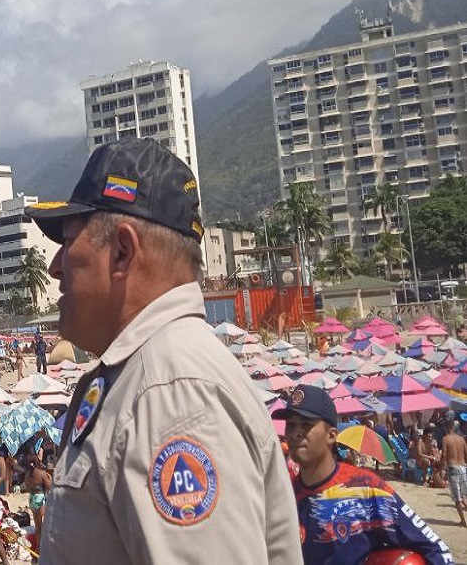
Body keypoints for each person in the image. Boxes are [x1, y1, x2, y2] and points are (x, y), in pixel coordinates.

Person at [24, 137, 301, 563]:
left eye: (69, 239)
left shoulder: (170, 396)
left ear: (122, 251)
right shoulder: (148, 377)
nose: (55, 266)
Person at [276, 384, 453, 563]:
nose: (295, 433)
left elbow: (436, 549)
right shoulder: (285, 496)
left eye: (306, 425)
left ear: (331, 435)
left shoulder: (365, 489)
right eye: (290, 425)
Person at [23, 453, 51, 549]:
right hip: (40, 499)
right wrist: (50, 478)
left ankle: (38, 548)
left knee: (37, 527)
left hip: (32, 498)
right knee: (44, 526)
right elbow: (48, 487)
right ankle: (44, 549)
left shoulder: (28, 474)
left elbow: (27, 486)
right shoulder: (42, 473)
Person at [445, 420, 467, 526]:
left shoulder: (446, 439)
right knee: (463, 496)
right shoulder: (462, 439)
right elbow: (466, 455)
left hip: (453, 468)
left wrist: (441, 468)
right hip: (463, 467)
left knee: (457, 498)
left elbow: (444, 456)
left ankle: (463, 521)